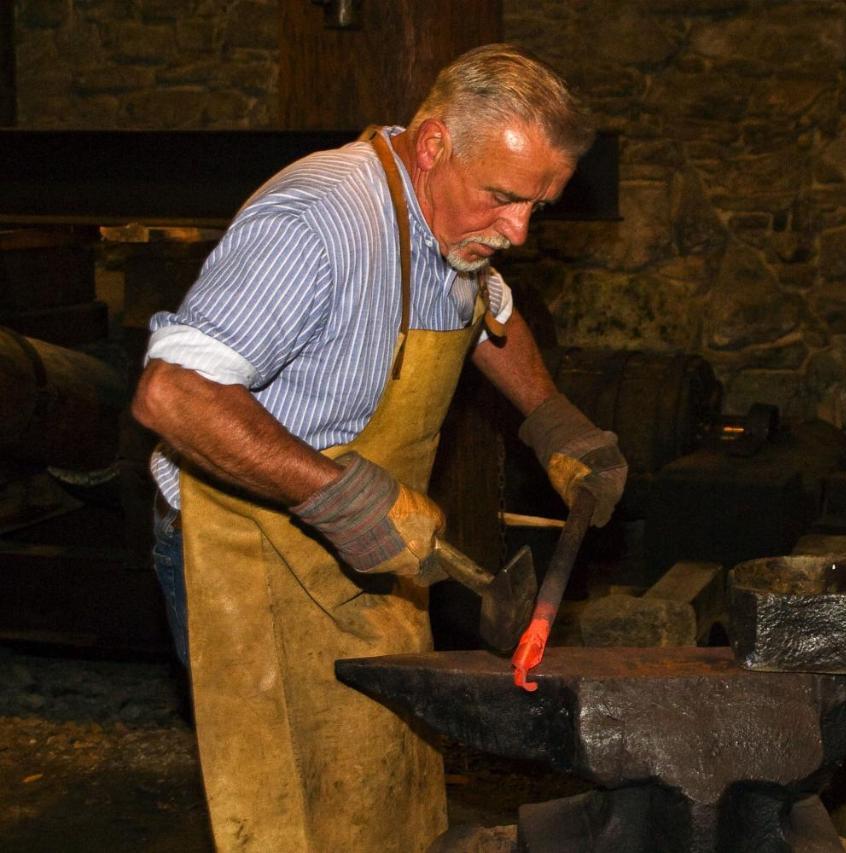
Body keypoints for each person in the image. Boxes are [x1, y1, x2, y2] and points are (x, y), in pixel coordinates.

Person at [130, 44, 627, 852]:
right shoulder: (317, 220)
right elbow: (173, 393)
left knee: (381, 783)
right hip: (245, 553)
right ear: (433, 145)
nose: (518, 230)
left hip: (373, 549)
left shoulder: (450, 217)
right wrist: (333, 493)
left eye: (540, 204)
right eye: (503, 199)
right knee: (291, 802)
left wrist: (552, 420)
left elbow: (486, 313)